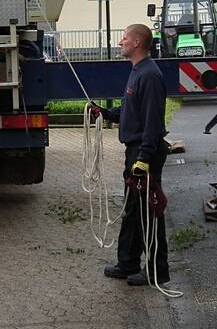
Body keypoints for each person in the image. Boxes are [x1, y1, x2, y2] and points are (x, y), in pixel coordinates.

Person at [91, 24, 170, 286]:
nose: (120, 41)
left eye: (124, 37)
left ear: (137, 42)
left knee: (149, 214)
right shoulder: (137, 72)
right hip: (135, 151)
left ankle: (158, 271)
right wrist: (105, 113)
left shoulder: (149, 76)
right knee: (133, 211)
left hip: (143, 153)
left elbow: (152, 122)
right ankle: (127, 263)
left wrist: (143, 159)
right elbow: (130, 111)